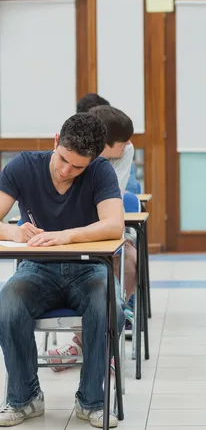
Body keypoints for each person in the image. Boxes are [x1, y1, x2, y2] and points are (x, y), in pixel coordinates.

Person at [0, 113, 125, 428]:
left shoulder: (100, 172)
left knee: (109, 306)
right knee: (8, 304)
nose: (66, 170)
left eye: (78, 166)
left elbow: (115, 225)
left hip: (89, 267)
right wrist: (13, 233)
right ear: (56, 141)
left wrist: (68, 235)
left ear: (93, 160)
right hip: (37, 268)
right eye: (63, 160)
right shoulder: (23, 166)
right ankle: (24, 398)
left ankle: (92, 401)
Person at [45, 105, 137, 371]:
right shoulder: (69, 153)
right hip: (65, 234)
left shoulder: (123, 154)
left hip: (101, 230)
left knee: (128, 258)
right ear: (103, 145)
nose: (128, 145)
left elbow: (112, 198)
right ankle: (88, 343)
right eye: (122, 142)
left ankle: (89, 342)